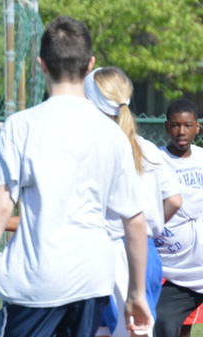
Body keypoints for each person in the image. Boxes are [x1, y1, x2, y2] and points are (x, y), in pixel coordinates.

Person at [0, 16, 152, 337]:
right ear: (90, 64)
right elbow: (134, 220)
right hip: (90, 281)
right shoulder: (112, 135)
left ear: (41, 65)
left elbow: (0, 205)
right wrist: (136, 293)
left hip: (35, 281)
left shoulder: (22, 125)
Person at [84, 67, 182, 337]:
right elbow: (174, 200)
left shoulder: (95, 150)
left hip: (108, 253)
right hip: (146, 256)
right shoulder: (148, 148)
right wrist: (153, 222)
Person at [153, 98, 203, 337]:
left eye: (187, 125)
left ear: (197, 128)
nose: (181, 131)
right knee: (162, 321)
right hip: (173, 272)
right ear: (166, 127)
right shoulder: (155, 161)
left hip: (200, 268)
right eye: (175, 125)